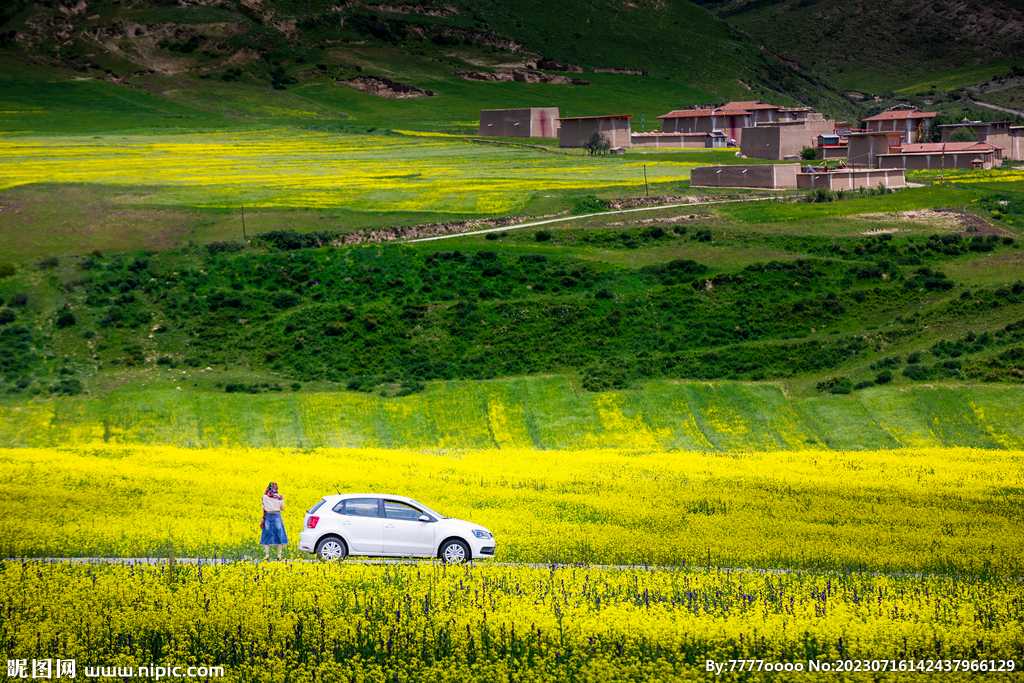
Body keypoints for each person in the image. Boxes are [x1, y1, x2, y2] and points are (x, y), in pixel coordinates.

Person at [260, 482, 287, 560]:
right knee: (279, 534)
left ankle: (267, 555)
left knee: (267, 535)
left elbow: (263, 498)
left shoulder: (265, 497)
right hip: (277, 516)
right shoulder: (280, 497)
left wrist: (266, 490)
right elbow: (282, 508)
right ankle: (279, 555)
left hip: (268, 516)